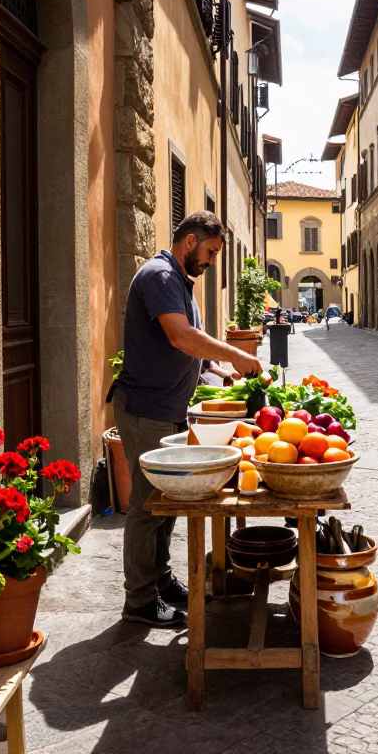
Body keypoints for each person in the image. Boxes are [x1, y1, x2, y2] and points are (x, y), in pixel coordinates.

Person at [108, 211, 263, 627]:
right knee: (146, 504)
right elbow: (180, 336)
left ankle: (159, 579)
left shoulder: (180, 283)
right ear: (190, 240)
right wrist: (236, 355)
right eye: (211, 252)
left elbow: (184, 351)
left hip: (170, 411)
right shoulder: (159, 276)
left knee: (168, 502)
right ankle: (139, 600)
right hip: (146, 411)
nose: (212, 261)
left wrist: (218, 371)